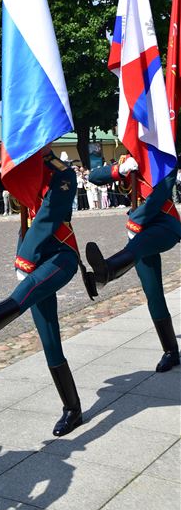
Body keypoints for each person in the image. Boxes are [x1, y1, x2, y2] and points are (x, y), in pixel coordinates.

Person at [0, 149, 88, 437]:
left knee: (25, 294)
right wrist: (6, 166)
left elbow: (49, 216)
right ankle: (72, 408)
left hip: (59, 255)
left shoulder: (61, 172)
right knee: (50, 339)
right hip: (33, 258)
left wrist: (26, 256)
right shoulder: (21, 167)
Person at [86, 155, 180, 372]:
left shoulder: (164, 157)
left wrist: (136, 221)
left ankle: (108, 270)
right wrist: (119, 170)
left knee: (137, 247)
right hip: (138, 232)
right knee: (153, 293)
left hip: (164, 225)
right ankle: (171, 351)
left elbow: (160, 195)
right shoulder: (127, 159)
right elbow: (94, 177)